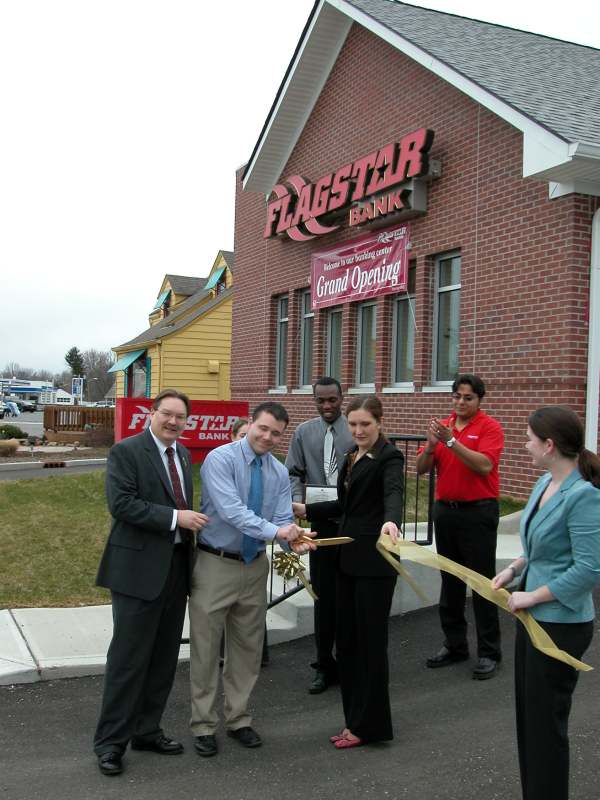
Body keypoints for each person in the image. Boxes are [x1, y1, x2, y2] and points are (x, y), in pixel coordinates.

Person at [189, 401, 315, 758]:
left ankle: (239, 719)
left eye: (276, 433)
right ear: (250, 423)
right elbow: (232, 513)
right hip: (216, 564)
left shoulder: (276, 471)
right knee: (206, 648)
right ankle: (203, 724)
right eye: (263, 428)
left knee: (246, 648)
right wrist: (279, 531)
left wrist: (294, 541)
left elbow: (279, 517)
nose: (268, 437)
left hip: (254, 563)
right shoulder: (221, 459)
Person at [93, 389, 208, 776]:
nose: (174, 422)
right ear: (151, 414)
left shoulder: (182, 454)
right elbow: (121, 505)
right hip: (137, 572)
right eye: (167, 414)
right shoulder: (127, 452)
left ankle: (146, 729)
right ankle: (110, 743)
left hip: (176, 569)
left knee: (163, 658)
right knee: (128, 660)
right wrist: (178, 518)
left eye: (181, 417)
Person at [491, 406, 600, 800]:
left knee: (546, 727)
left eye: (530, 439)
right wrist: (515, 569)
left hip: (561, 625)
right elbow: (540, 549)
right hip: (533, 617)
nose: (525, 445)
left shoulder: (583, 496)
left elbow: (589, 569)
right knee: (530, 721)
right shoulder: (543, 484)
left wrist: (532, 595)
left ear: (549, 445)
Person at [293, 395, 404, 749]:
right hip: (345, 561)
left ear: (379, 422)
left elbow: (393, 494)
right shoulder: (350, 457)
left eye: (365, 425)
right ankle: (354, 721)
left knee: (370, 646)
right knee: (349, 643)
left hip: (374, 565)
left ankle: (370, 725)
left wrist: (391, 521)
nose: (357, 431)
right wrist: (305, 508)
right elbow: (344, 505)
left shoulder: (389, 456)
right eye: (353, 424)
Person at [416, 373, 504, 679]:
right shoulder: (442, 428)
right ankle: (455, 645)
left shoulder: (489, 427)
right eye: (456, 396)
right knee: (450, 582)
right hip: (447, 513)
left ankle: (490, 652)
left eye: (468, 397)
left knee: (481, 583)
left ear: (479, 399)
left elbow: (484, 466)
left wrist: (451, 442)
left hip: (478, 513)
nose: (461, 402)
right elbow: (420, 470)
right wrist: (430, 447)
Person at [285, 376, 353, 694]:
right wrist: (297, 503)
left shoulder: (355, 429)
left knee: (350, 596)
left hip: (350, 523)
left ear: (342, 398)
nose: (327, 406)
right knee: (324, 597)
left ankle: (351, 661)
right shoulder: (304, 432)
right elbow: (293, 472)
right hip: (317, 523)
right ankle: (324, 665)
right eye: (320, 401)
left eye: (332, 400)